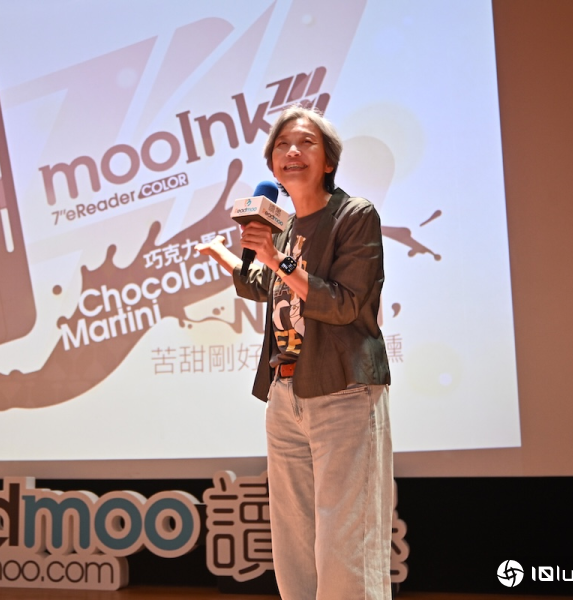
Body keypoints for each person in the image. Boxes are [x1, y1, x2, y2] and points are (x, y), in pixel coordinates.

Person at [196, 105, 392, 600]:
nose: (292, 151)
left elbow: (344, 303)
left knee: (345, 540)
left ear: (329, 161)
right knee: (294, 542)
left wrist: (276, 258)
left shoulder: (354, 216)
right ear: (272, 165)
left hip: (343, 389)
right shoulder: (283, 227)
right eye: (282, 144)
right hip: (286, 393)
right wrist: (231, 257)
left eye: (306, 142)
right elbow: (266, 284)